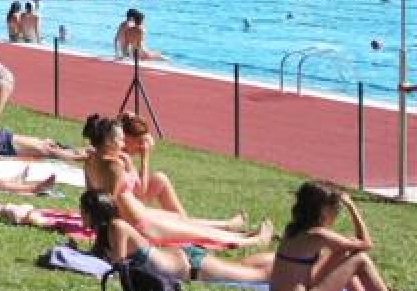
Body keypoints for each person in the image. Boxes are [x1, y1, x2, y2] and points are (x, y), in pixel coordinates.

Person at [82, 114, 272, 248]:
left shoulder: (91, 160)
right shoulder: (114, 165)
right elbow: (116, 202)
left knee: (181, 221)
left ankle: (233, 229)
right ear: (108, 142)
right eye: (121, 140)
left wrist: (94, 226)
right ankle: (252, 240)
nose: (123, 144)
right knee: (199, 234)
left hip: (138, 218)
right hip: (141, 224)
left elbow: (90, 198)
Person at [81, 191, 275, 284]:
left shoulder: (117, 227)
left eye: (83, 212)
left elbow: (119, 265)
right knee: (242, 266)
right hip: (182, 262)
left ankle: (292, 265)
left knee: (259, 276)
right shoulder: (108, 231)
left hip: (190, 265)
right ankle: (282, 261)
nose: (81, 216)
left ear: (92, 213)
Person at [270, 181, 388, 291]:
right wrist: (351, 206)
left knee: (343, 251)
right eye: (337, 208)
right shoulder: (319, 234)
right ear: (325, 210)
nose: (337, 213)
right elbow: (367, 244)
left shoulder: (291, 229)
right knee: (360, 258)